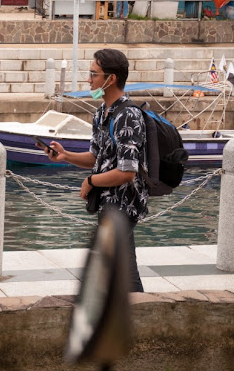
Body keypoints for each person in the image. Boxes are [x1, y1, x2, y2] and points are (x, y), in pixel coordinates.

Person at [40, 48, 148, 292]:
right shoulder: (101, 113)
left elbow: (127, 172)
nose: (89, 80)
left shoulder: (128, 115)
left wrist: (91, 182)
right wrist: (66, 156)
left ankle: (141, 319)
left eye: (93, 74)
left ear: (111, 78)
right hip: (106, 202)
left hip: (124, 203)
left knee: (126, 272)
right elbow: (96, 158)